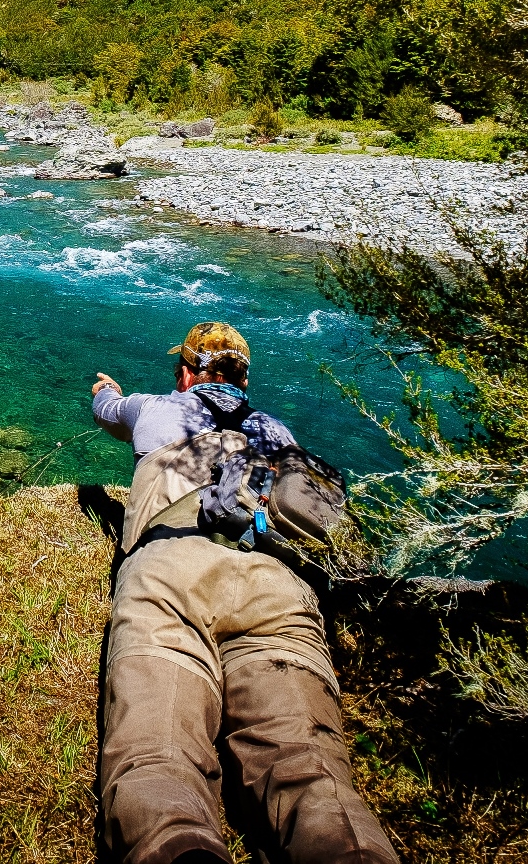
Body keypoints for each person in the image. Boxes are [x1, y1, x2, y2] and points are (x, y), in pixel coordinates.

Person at [90, 321, 397, 864]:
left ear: (186, 373)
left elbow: (109, 413)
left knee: (158, 755)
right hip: (275, 583)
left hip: (171, 574)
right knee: (307, 762)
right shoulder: (278, 433)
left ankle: (177, 845)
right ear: (244, 379)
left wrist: (106, 391)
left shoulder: (156, 407)